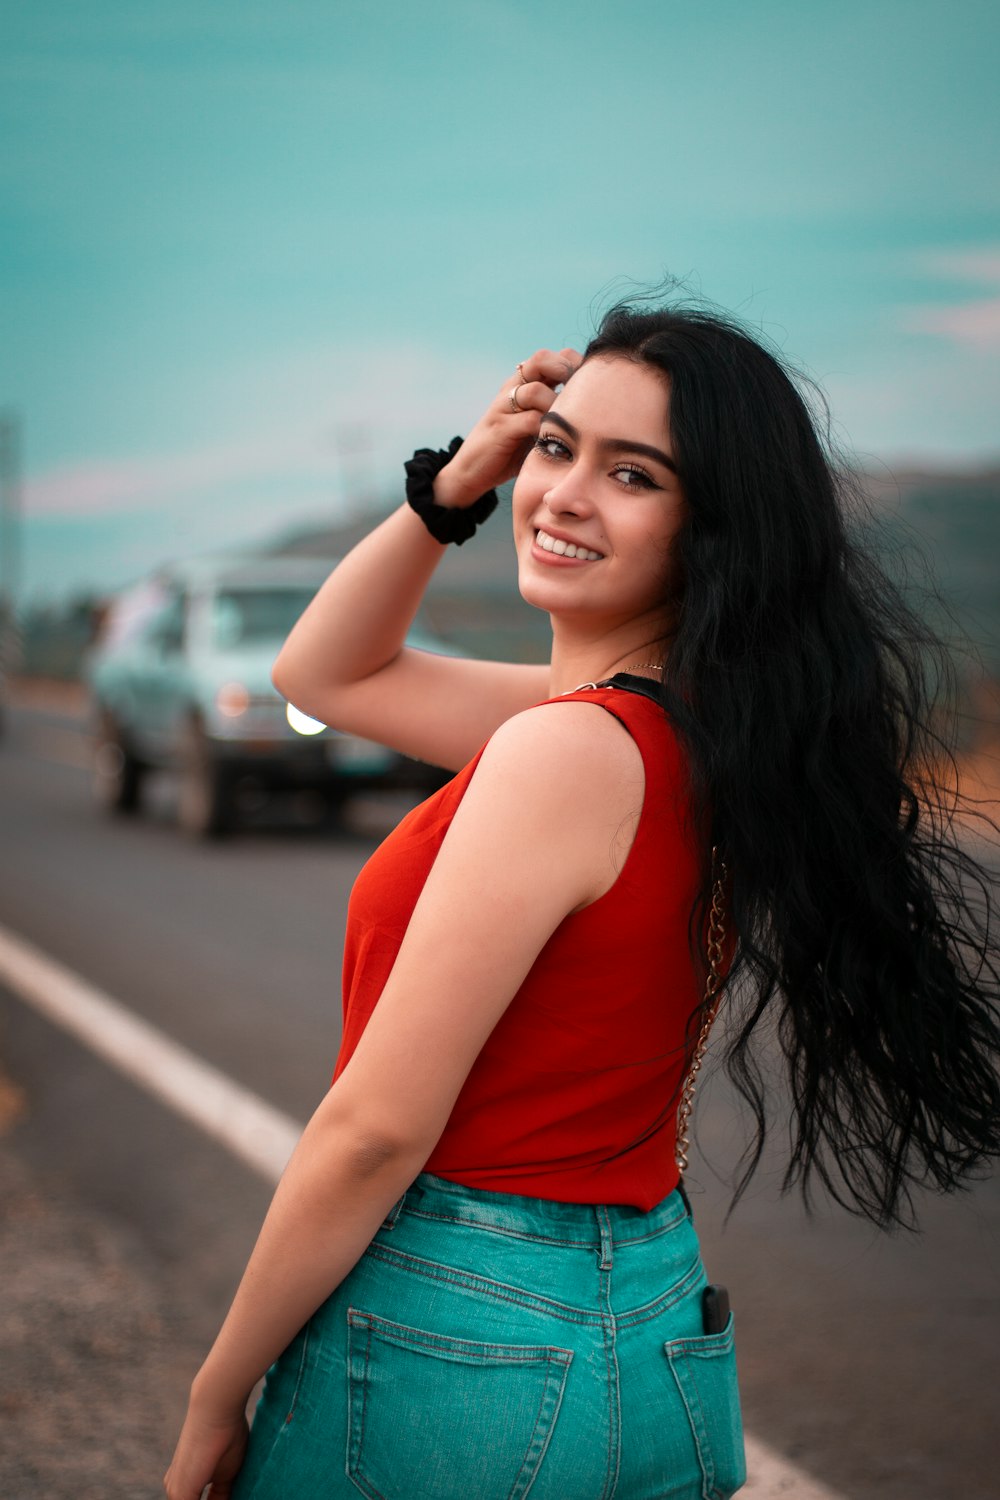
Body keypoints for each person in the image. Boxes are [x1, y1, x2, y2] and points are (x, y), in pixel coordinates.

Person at [164, 297, 1000, 1500]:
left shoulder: (566, 758)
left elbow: (373, 1133)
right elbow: (323, 674)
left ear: (711, 529)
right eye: (555, 447)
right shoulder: (686, 736)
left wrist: (214, 1389)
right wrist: (454, 486)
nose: (561, 494)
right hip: (648, 1316)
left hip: (469, 1330)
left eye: (634, 475)